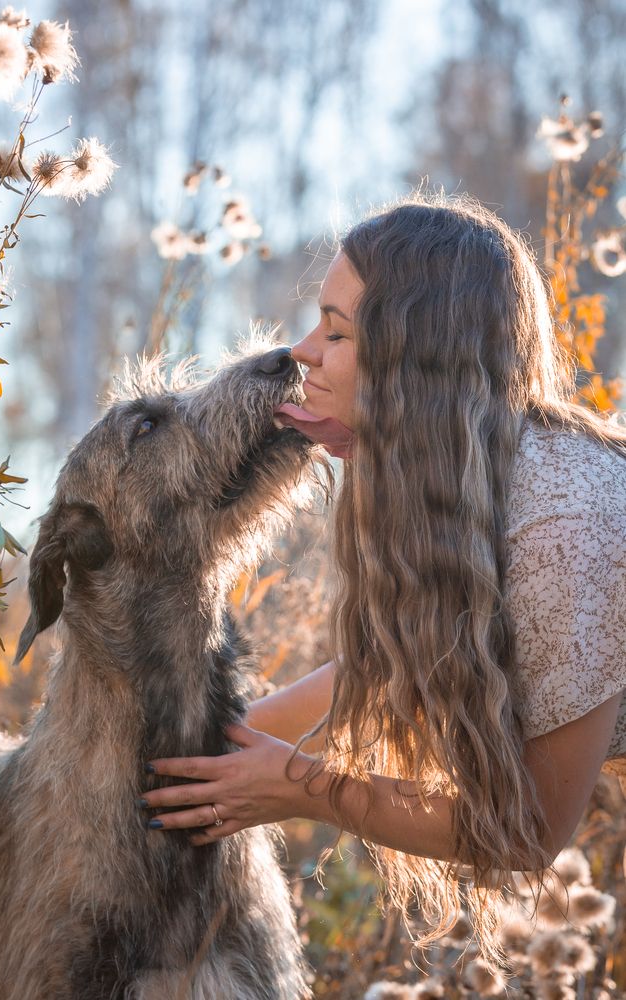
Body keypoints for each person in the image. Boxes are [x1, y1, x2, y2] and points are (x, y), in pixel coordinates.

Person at [139, 192, 626, 964]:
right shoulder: (474, 479)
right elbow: (383, 668)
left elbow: (531, 829)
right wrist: (191, 758)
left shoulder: (563, 522)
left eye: (336, 332)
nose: (302, 352)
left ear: (415, 362)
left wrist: (300, 786)